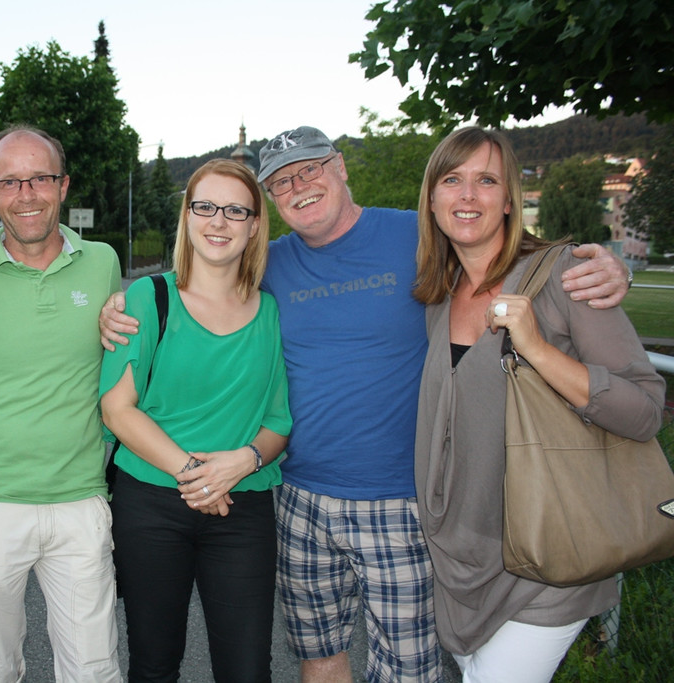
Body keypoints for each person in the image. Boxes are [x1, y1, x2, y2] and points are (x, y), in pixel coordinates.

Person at [101, 125, 631, 683]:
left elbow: (493, 244)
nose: (300, 186)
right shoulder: (267, 266)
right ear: (270, 203)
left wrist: (596, 265)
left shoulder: (415, 235)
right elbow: (200, 286)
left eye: (310, 169)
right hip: (301, 500)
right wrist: (118, 306)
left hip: (401, 502)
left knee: (406, 668)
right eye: (282, 182)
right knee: (318, 657)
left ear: (340, 167)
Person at [412, 126, 665, 681]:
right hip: (461, 559)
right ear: (431, 200)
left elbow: (645, 411)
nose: (468, 195)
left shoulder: (565, 276)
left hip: (550, 555)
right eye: (452, 180)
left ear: (510, 200)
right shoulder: (439, 295)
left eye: (487, 180)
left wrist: (537, 350)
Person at [0, 124, 123, 682]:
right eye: (9, 182)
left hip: (81, 498)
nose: (26, 194)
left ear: (63, 185)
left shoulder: (103, 262)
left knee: (94, 669)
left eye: (39, 178)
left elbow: (120, 359)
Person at [100, 159, 292, 682]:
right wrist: (197, 476)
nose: (218, 221)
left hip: (242, 508)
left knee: (247, 670)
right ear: (187, 215)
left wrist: (244, 461)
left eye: (235, 211)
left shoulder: (271, 313)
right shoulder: (148, 298)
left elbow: (278, 422)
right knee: (154, 665)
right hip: (151, 506)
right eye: (205, 206)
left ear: (254, 225)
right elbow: (118, 409)